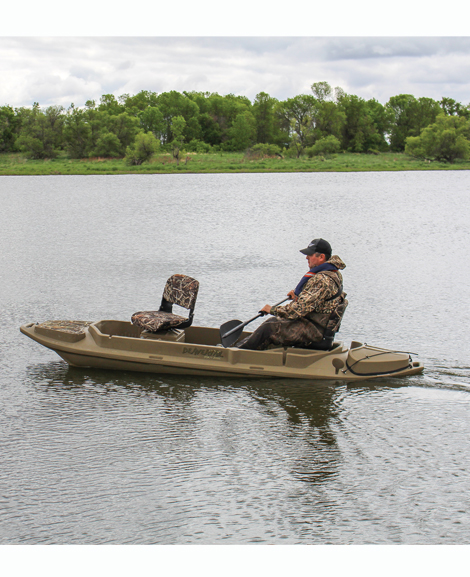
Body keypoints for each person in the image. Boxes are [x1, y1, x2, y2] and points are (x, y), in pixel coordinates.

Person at [237, 238, 347, 350]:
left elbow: (298, 310)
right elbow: (318, 300)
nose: (306, 257)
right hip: (317, 327)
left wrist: (273, 310)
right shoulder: (334, 273)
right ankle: (244, 349)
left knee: (270, 326)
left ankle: (237, 353)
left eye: (310, 255)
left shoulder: (322, 279)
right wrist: (298, 296)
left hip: (315, 332)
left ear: (321, 257)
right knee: (275, 324)